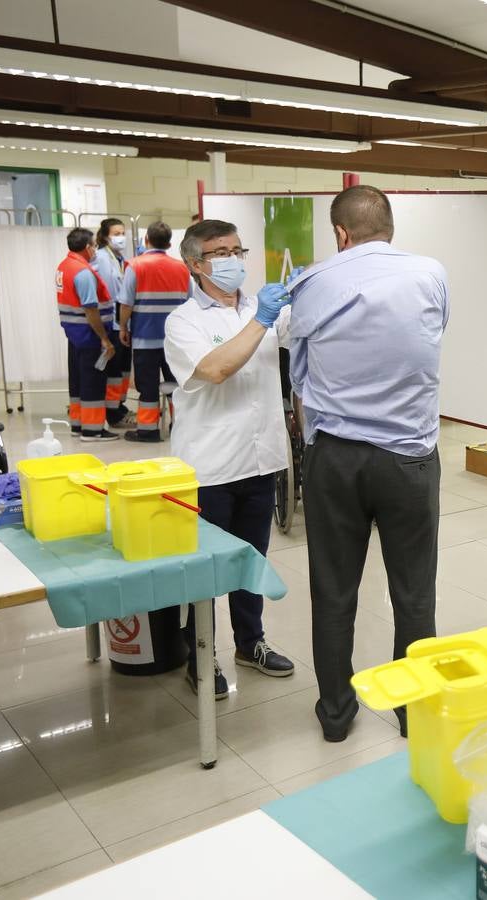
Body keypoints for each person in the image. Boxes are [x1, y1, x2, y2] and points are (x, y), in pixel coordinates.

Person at [289, 185, 448, 742]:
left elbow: (300, 374)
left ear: (340, 233)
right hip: (409, 458)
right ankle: (413, 714)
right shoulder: (431, 273)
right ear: (390, 226)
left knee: (333, 589)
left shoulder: (312, 282)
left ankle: (335, 714)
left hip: (335, 458)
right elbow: (429, 340)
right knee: (414, 592)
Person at [163, 219, 298, 698]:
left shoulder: (260, 312)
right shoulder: (183, 321)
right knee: (204, 570)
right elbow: (216, 369)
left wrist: (303, 293)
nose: (234, 261)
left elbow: (298, 333)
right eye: (222, 253)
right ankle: (200, 655)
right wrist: (261, 319)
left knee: (250, 562)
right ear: (196, 264)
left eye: (239, 251)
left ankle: (250, 643)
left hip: (260, 462)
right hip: (210, 468)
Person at [118, 221, 187, 442]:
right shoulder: (181, 268)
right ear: (169, 243)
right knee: (177, 386)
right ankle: (182, 426)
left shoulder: (135, 266)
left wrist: (122, 327)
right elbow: (189, 302)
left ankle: (148, 431)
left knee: (147, 387)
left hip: (144, 339)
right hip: (175, 340)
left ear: (146, 240)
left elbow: (126, 303)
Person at [54, 227, 119, 442]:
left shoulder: (64, 266)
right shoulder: (83, 273)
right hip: (89, 336)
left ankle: (78, 424)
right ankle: (93, 430)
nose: (95, 249)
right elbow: (91, 309)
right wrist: (104, 338)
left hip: (74, 335)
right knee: (93, 381)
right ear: (86, 247)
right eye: (93, 245)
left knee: (78, 380)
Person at [93, 218, 134, 429]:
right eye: (116, 233)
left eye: (122, 233)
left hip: (123, 321)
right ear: (105, 236)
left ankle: (120, 405)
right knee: (114, 370)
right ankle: (113, 412)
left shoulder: (120, 258)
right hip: (110, 321)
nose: (121, 237)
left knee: (124, 369)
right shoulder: (100, 258)